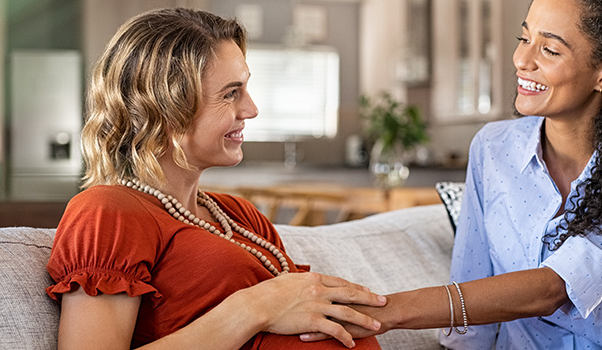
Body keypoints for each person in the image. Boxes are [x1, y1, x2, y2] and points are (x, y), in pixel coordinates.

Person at [303, 0, 602, 348]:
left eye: (549, 50)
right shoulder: (492, 149)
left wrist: (385, 311)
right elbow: (472, 304)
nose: (522, 60)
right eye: (524, 38)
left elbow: (552, 288)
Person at [45, 8, 387, 349]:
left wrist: (436, 306)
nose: (251, 109)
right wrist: (252, 307)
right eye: (230, 93)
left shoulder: (239, 215)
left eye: (245, 89)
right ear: (167, 108)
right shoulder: (108, 211)